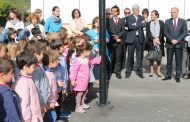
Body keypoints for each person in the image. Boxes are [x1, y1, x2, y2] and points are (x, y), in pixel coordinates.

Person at [70, 41, 101, 113]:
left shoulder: (87, 58)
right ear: (84, 51)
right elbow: (73, 70)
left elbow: (92, 61)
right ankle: (77, 106)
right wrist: (72, 79)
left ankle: (82, 103)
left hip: (85, 79)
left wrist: (99, 59)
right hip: (79, 80)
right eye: (89, 51)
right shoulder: (77, 60)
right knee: (80, 93)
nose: (90, 52)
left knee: (85, 91)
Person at [15, 51, 43, 122]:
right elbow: (24, 104)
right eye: (33, 67)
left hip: (34, 115)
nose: (35, 69)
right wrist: (27, 119)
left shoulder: (27, 79)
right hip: (30, 118)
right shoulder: (23, 83)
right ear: (25, 67)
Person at [163, 7, 188, 83]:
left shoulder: (183, 21)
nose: (172, 13)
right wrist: (171, 40)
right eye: (171, 12)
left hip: (179, 44)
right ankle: (168, 75)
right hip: (169, 44)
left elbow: (185, 32)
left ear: (177, 12)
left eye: (173, 12)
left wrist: (177, 40)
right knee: (169, 61)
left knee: (178, 61)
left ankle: (177, 76)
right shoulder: (167, 21)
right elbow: (165, 32)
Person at [125, 4, 147, 79]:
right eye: (137, 10)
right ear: (133, 10)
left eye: (138, 10)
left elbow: (144, 25)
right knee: (130, 56)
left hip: (139, 38)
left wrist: (136, 24)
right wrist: (139, 24)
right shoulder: (129, 17)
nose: (138, 11)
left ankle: (139, 71)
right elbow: (130, 27)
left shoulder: (141, 17)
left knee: (139, 56)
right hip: (131, 39)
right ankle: (128, 71)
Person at [0, 58, 21, 122]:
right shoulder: (7, 93)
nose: (12, 75)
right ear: (2, 75)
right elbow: (12, 113)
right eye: (11, 73)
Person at [108, 5, 125, 79]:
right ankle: (109, 72)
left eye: (115, 11)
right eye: (112, 11)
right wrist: (115, 37)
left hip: (119, 41)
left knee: (118, 57)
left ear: (118, 12)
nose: (113, 12)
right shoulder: (109, 20)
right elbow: (109, 30)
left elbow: (124, 30)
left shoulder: (122, 20)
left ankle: (118, 72)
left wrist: (118, 36)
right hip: (112, 42)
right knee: (111, 58)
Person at [146, 10, 165, 77]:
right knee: (151, 57)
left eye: (153, 15)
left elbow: (163, 32)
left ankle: (158, 71)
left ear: (157, 15)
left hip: (159, 42)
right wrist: (153, 39)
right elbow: (148, 33)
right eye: (151, 15)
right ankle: (151, 71)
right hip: (151, 42)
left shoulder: (161, 22)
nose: (151, 16)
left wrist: (158, 39)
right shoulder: (148, 23)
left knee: (158, 57)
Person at [42, 50, 60, 122]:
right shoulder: (48, 75)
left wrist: (56, 95)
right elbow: (47, 89)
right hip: (49, 102)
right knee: (52, 117)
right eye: (56, 61)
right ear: (50, 63)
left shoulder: (50, 72)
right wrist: (50, 101)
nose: (58, 62)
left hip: (51, 101)